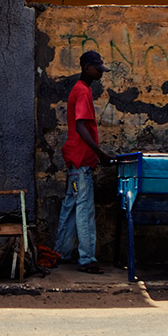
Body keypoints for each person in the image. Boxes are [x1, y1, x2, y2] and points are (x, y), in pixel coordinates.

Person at [54, 50, 114, 274]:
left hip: (74, 160)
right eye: (98, 69)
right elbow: (81, 126)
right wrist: (101, 154)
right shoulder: (83, 91)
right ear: (87, 68)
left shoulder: (80, 90)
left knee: (70, 207)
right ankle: (87, 258)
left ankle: (62, 251)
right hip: (81, 161)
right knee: (84, 209)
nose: (100, 73)